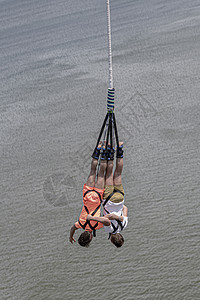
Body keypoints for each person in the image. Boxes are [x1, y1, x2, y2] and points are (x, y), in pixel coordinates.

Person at [87, 142, 128, 248]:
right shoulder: (109, 229)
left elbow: (125, 208)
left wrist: (118, 207)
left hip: (120, 198)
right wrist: (92, 218)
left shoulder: (124, 225)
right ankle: (108, 151)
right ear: (112, 240)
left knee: (118, 173)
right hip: (109, 199)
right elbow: (108, 217)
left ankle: (119, 149)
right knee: (108, 174)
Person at [69, 143, 110, 247]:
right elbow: (72, 228)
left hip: (97, 198)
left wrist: (93, 218)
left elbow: (106, 221)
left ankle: (105, 150)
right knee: (92, 171)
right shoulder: (80, 223)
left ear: (90, 238)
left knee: (101, 174)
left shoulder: (96, 225)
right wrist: (71, 236)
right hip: (87, 195)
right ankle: (98, 148)